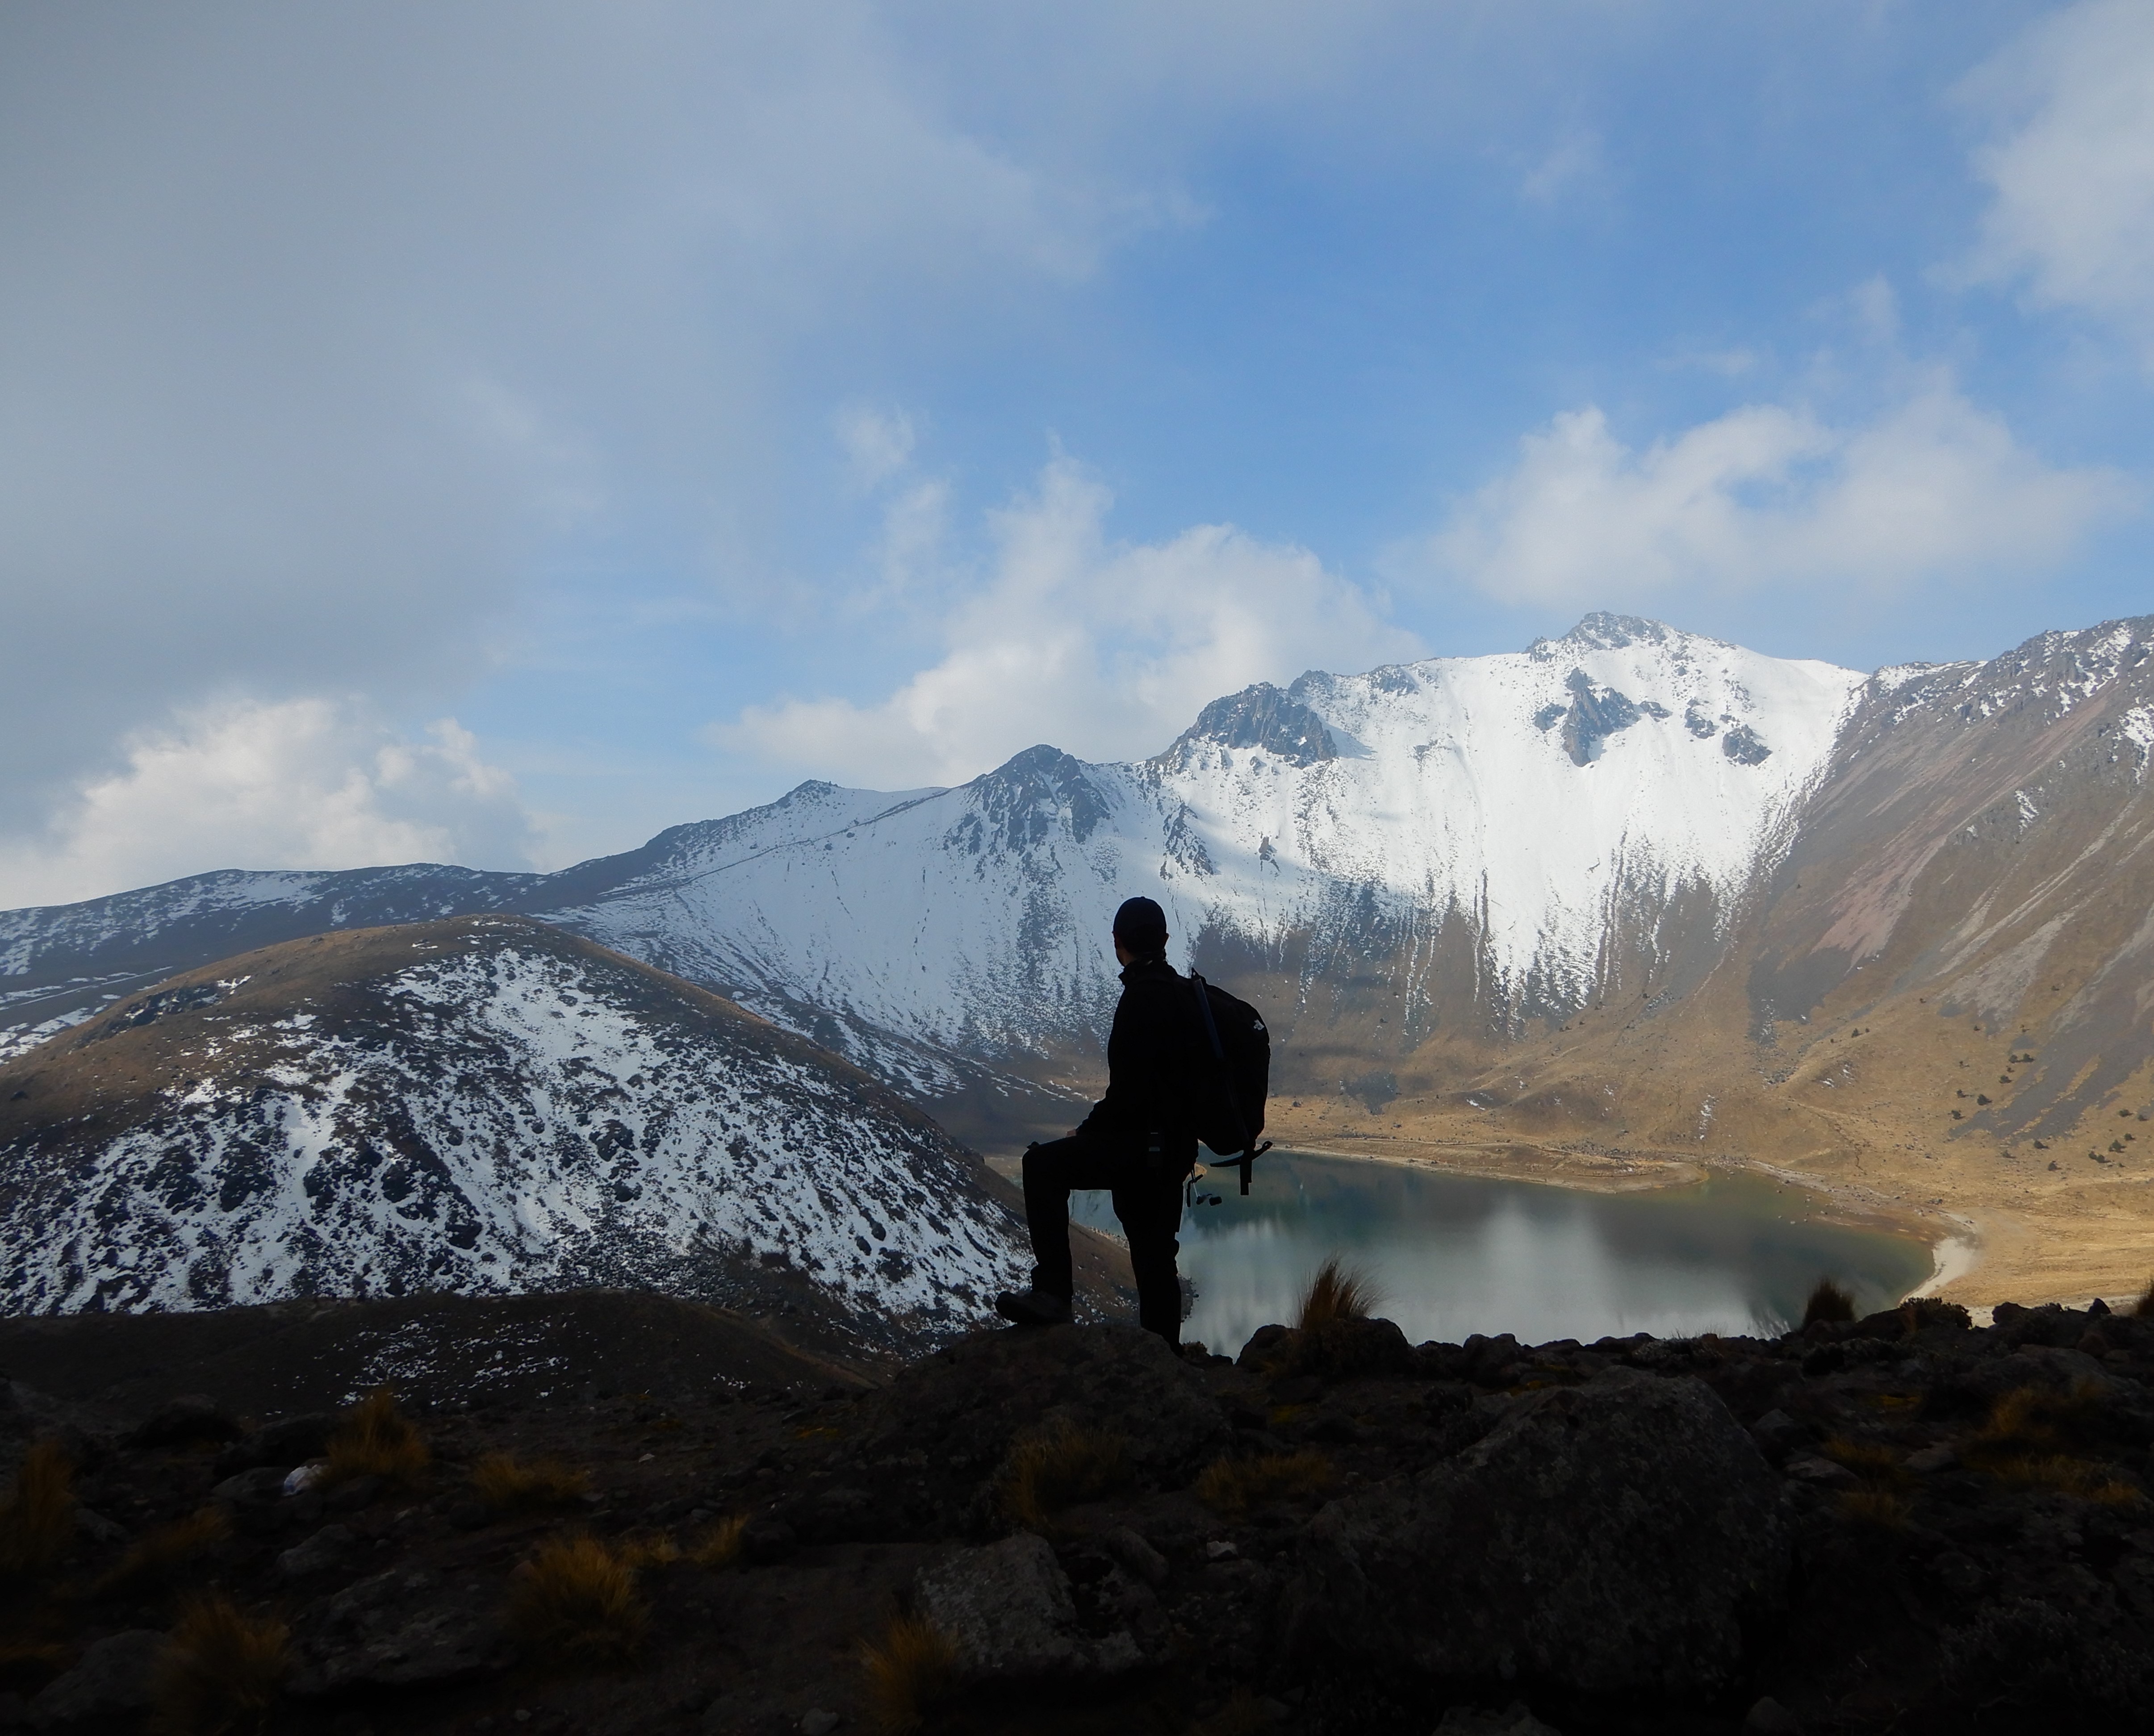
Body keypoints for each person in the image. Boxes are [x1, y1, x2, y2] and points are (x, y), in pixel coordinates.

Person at [995, 895, 1201, 1345]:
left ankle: (1052, 1295)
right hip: (1175, 1152)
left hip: (1135, 1150)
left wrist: (1085, 1135)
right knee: (1155, 1257)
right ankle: (1166, 1362)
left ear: (1117, 943)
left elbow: (1127, 1095)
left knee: (1041, 1167)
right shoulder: (1186, 997)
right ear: (1165, 941)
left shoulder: (1139, 1001)